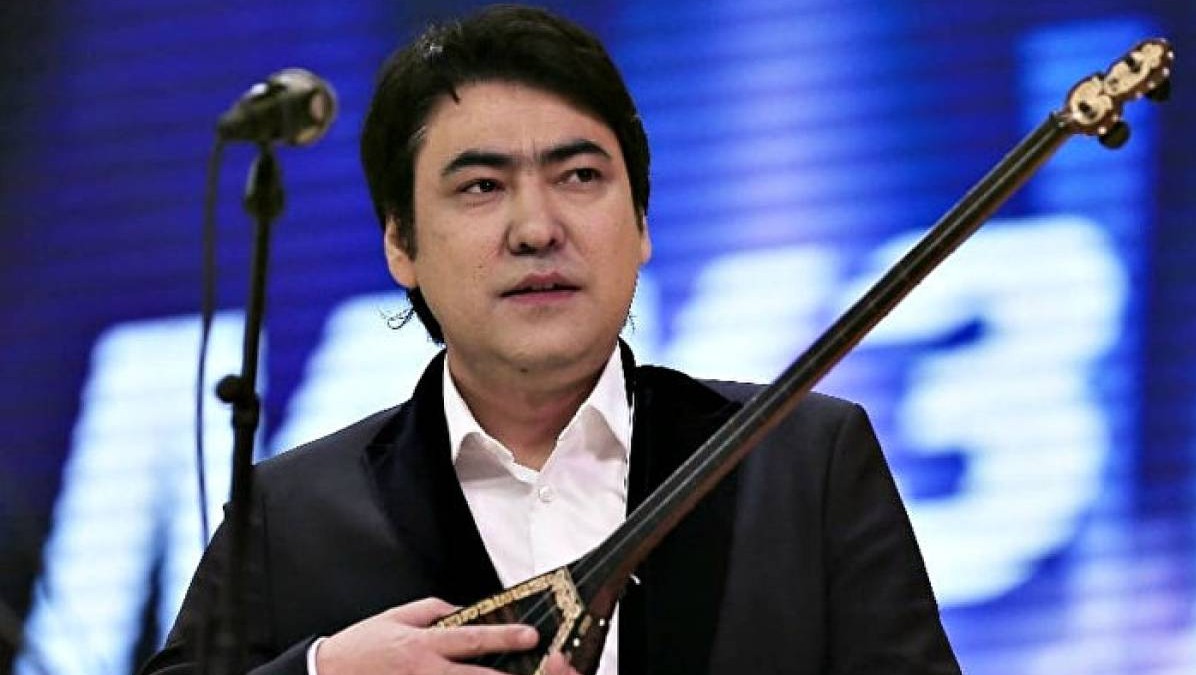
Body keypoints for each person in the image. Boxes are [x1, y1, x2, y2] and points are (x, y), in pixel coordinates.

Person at [142, 5, 961, 674]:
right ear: (400, 243)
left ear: (641, 223)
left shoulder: (802, 459)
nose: (537, 227)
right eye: (481, 185)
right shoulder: (290, 513)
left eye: (580, 176)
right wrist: (325, 672)